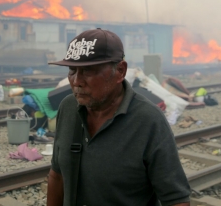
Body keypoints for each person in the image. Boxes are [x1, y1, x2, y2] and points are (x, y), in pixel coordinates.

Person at [47, 28, 191, 206]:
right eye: (72, 70)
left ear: (120, 71)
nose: (77, 81)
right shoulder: (68, 108)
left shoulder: (148, 120)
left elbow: (176, 199)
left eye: (88, 71)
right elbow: (57, 175)